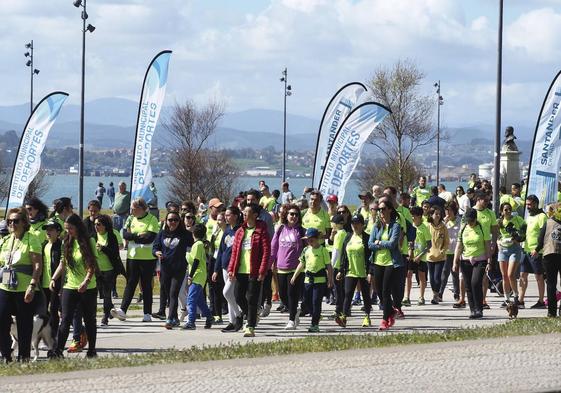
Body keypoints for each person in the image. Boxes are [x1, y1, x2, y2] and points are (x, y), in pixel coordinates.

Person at [50, 214, 98, 358]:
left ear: (77, 227)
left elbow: (92, 265)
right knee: (65, 319)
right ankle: (58, 351)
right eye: (66, 229)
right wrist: (54, 278)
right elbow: (62, 263)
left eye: (70, 228)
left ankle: (91, 350)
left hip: (87, 287)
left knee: (89, 319)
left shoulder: (88, 241)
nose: (68, 231)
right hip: (70, 286)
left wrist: (86, 281)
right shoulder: (67, 242)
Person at [0, 208, 42, 362]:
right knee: (1, 320)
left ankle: (23, 358)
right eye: (9, 221)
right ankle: (6, 354)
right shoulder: (6, 240)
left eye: (16, 221)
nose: (12, 224)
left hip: (24, 289)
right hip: (5, 287)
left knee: (24, 326)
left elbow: (38, 265)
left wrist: (32, 285)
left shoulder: (31, 239)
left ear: (24, 223)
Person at [111, 198, 159, 322]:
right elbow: (125, 235)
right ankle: (122, 310)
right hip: (132, 257)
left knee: (146, 285)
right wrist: (138, 235)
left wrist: (134, 237)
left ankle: (147, 313)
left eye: (133, 208)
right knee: (130, 283)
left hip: (147, 258)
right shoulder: (130, 219)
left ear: (140, 208)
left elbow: (149, 237)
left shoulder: (152, 219)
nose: (131, 210)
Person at [228, 202, 270, 337]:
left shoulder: (261, 230)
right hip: (240, 270)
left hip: (254, 271)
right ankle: (251, 315)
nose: (244, 214)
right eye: (244, 212)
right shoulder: (240, 231)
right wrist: (231, 269)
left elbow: (266, 252)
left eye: (247, 212)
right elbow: (234, 252)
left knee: (252, 298)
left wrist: (262, 270)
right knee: (238, 296)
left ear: (255, 215)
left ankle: (250, 326)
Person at [153, 211, 193, 328]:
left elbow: (193, 246)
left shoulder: (185, 234)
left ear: (179, 221)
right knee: (168, 293)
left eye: (176, 220)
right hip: (165, 268)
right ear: (166, 221)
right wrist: (157, 252)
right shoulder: (162, 234)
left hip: (179, 268)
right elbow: (155, 247)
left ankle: (170, 319)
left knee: (173, 292)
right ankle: (175, 317)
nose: (173, 222)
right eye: (170, 220)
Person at [291, 227, 333, 333]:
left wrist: (330, 280)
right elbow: (301, 264)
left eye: (312, 239)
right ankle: (316, 315)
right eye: (308, 239)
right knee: (306, 302)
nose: (309, 241)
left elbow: (329, 266)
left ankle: (314, 324)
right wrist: (294, 276)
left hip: (320, 281)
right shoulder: (306, 250)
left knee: (316, 302)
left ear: (317, 238)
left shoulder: (323, 250)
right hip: (308, 280)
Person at [270, 204, 306, 330]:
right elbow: (273, 248)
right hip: (281, 267)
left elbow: (307, 248)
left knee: (292, 295)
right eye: (291, 214)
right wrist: (270, 264)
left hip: (296, 269)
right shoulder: (280, 229)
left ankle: (291, 320)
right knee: (283, 296)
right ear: (286, 215)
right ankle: (294, 312)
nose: (294, 216)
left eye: (296, 214)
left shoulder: (301, 231)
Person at [368, 200, 402, 330]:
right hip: (377, 261)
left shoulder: (395, 226)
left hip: (390, 262)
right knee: (378, 291)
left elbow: (393, 244)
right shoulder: (376, 226)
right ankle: (391, 311)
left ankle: (384, 320)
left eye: (383, 209)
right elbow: (370, 244)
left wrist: (379, 243)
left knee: (385, 291)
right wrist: (380, 243)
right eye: (379, 209)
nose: (380, 212)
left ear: (389, 210)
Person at [453, 208, 490, 319]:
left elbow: (487, 245)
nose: (470, 223)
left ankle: (479, 309)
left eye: (472, 221)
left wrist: (489, 260)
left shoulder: (482, 228)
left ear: (475, 219)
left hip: (480, 259)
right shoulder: (463, 229)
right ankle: (473, 310)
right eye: (468, 221)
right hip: (465, 260)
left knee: (475, 282)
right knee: (468, 285)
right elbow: (459, 246)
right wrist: (455, 261)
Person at [336, 214, 372, 328]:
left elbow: (371, 256)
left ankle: (367, 316)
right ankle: (344, 317)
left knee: (366, 295)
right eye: (353, 223)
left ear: (362, 225)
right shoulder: (348, 237)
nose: (354, 225)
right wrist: (341, 270)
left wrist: (370, 272)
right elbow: (343, 255)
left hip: (363, 272)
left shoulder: (367, 238)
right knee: (347, 294)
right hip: (350, 271)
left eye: (357, 223)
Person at [213, 206, 243, 332]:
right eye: (226, 215)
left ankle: (239, 315)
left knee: (227, 293)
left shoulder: (240, 230)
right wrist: (216, 269)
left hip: (234, 268)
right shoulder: (226, 231)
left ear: (236, 216)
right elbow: (221, 251)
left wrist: (234, 268)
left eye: (229, 215)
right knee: (229, 294)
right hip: (224, 267)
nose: (226, 217)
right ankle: (232, 322)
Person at [93, 214, 124, 326]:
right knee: (93, 295)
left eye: (99, 224)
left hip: (109, 270)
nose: (96, 226)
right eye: (95, 224)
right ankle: (98, 314)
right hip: (95, 270)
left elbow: (115, 253)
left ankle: (105, 317)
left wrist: (103, 248)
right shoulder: (93, 235)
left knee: (107, 295)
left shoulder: (111, 236)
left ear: (105, 226)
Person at [182, 224, 214, 330]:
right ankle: (209, 317)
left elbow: (196, 261)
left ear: (193, 233)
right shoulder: (199, 244)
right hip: (199, 275)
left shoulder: (197, 244)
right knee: (199, 300)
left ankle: (191, 322)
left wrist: (190, 277)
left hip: (197, 275)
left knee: (191, 299)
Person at [519, 195, 548, 309]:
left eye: (530, 204)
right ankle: (520, 301)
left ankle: (541, 301)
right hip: (526, 250)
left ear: (536, 204)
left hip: (537, 252)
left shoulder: (541, 216)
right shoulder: (529, 217)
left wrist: (537, 249)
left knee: (539, 277)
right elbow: (525, 233)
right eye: (526, 205)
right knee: (522, 275)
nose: (528, 207)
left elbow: (543, 235)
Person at [497, 202, 525, 308]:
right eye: (505, 210)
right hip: (503, 249)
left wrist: (518, 238)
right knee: (504, 276)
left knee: (510, 274)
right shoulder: (499, 222)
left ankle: (516, 297)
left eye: (509, 209)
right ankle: (506, 299)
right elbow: (498, 235)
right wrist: (498, 243)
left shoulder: (517, 220)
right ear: (502, 211)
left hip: (514, 249)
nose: (508, 211)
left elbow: (524, 231)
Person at [536, 203, 561, 317]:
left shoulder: (548, 222)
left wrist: (536, 249)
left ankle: (551, 312)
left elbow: (540, 240)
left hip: (549, 255)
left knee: (551, 284)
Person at [41, 219, 63, 339]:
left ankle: (53, 336)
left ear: (58, 232)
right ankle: (48, 332)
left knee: (54, 309)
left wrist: (57, 280)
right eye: (47, 230)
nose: (48, 232)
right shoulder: (44, 245)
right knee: (43, 310)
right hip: (44, 283)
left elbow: (63, 265)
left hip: (56, 283)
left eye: (51, 229)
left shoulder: (61, 245)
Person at [404, 206, 430, 306]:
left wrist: (420, 256)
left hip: (421, 257)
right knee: (408, 275)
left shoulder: (424, 228)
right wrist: (409, 251)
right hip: (411, 256)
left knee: (421, 277)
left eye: (414, 216)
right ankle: (407, 297)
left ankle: (421, 297)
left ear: (419, 216)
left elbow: (429, 244)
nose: (412, 218)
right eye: (411, 216)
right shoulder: (410, 227)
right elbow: (409, 240)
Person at [427, 205, 449, 304]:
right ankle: (435, 295)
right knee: (431, 278)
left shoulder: (443, 226)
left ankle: (436, 295)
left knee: (437, 277)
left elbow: (447, 241)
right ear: (431, 215)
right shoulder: (427, 226)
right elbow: (424, 240)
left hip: (440, 256)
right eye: (436, 214)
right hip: (429, 256)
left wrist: (443, 250)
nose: (438, 216)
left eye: (439, 214)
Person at [440, 202, 461, 303]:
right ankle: (440, 293)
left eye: (450, 210)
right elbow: (439, 234)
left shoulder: (459, 221)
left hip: (456, 251)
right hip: (446, 251)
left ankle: (457, 293)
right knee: (444, 272)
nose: (447, 212)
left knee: (455, 273)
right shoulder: (443, 222)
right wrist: (444, 223)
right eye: (446, 210)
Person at [329, 214, 348, 317]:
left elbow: (336, 250)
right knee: (342, 288)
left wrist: (331, 265)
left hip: (337, 265)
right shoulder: (344, 233)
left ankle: (338, 309)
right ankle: (344, 308)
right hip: (343, 264)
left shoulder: (338, 235)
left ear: (335, 224)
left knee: (337, 289)